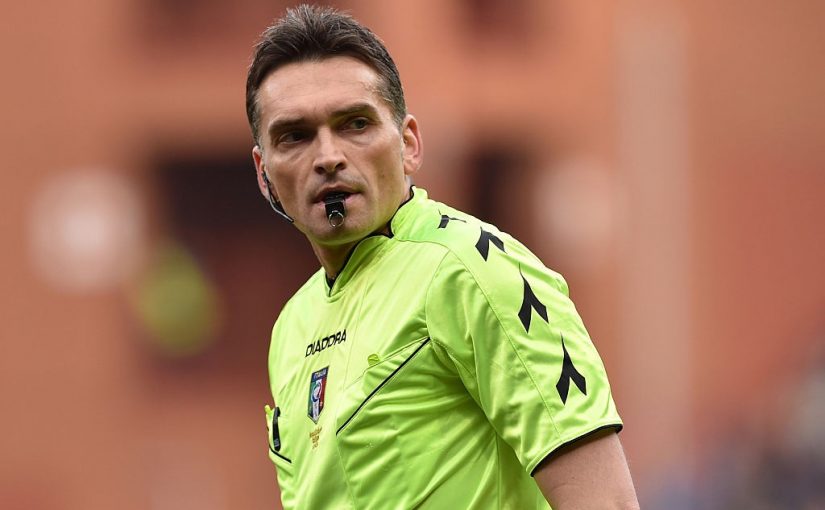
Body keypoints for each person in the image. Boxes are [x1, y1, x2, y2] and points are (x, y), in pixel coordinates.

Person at [246, 5, 639, 509]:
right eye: (295, 136)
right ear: (263, 174)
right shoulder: (291, 326)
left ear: (409, 144)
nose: (328, 157)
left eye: (356, 124)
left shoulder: (474, 269)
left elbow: (605, 501)